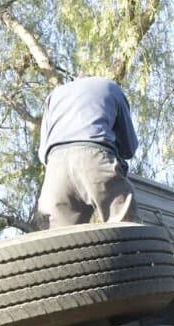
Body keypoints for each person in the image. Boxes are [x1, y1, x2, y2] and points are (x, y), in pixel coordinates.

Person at [36, 76, 139, 228]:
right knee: (124, 225)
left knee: (59, 243)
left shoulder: (54, 95)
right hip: (94, 158)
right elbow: (129, 148)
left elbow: (42, 151)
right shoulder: (111, 87)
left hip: (55, 169)